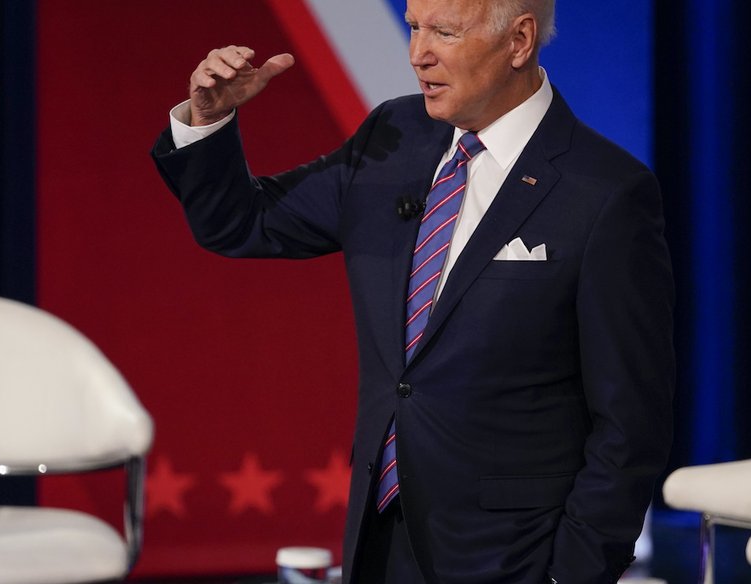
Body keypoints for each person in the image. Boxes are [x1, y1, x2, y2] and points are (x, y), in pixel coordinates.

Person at [150, 0, 675, 582]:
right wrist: (207, 121)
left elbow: (631, 421)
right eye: (413, 27)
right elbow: (246, 223)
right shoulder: (394, 135)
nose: (417, 53)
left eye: (444, 32)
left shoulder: (603, 192)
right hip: (382, 535)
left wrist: (573, 572)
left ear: (519, 41)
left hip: (515, 553)